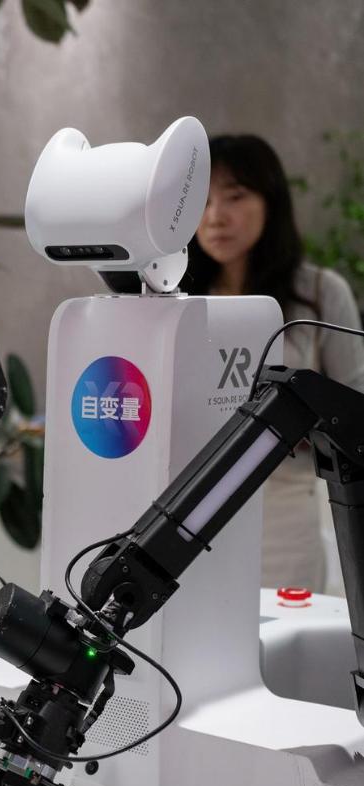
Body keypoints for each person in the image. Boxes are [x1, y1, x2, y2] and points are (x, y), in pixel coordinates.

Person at [187, 134, 364, 591]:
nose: (215, 216)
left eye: (235, 196)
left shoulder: (320, 294)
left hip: (286, 514)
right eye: (202, 201)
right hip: (191, 506)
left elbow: (355, 413)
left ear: (271, 202)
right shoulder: (179, 302)